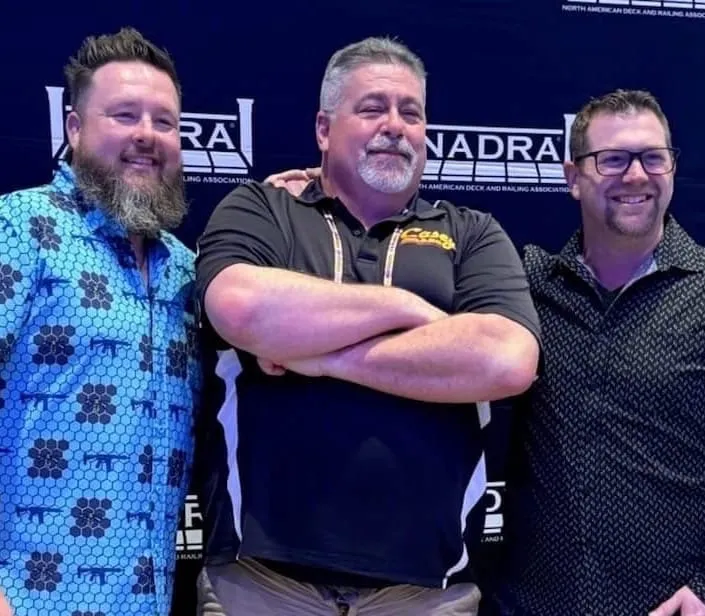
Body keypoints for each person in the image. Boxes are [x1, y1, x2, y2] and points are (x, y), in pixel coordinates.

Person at [194, 36, 541, 615]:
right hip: (260, 583)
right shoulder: (263, 209)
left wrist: (317, 356)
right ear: (324, 129)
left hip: (427, 592)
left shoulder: (472, 233)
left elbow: (505, 360)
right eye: (373, 108)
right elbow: (241, 308)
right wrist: (409, 309)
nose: (394, 126)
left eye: (411, 112)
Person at [0, 28, 200, 616]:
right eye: (124, 115)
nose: (146, 135)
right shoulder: (20, 228)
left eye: (164, 122)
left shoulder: (185, 269)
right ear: (74, 127)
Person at [487, 89, 705, 616]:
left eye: (653, 157)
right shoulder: (526, 286)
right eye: (613, 160)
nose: (636, 175)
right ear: (572, 177)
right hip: (530, 605)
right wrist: (323, 192)